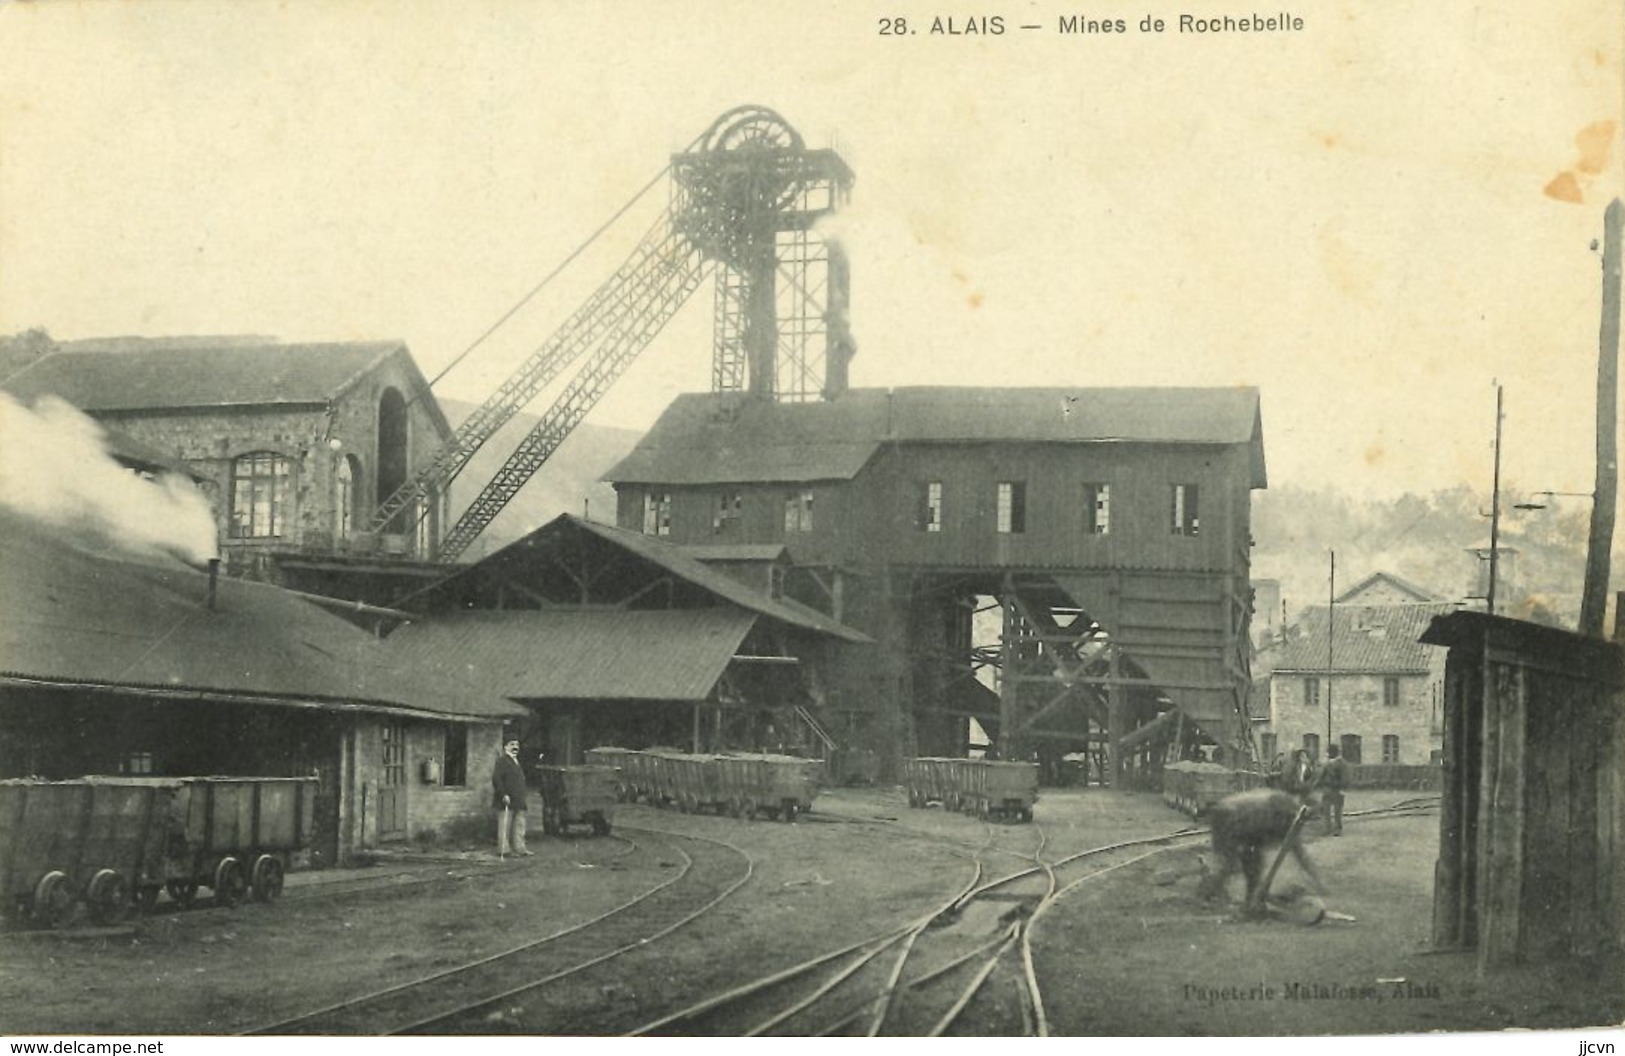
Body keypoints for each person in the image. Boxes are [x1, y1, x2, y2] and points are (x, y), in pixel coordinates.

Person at [1197, 788, 1325, 912]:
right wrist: (1317, 881)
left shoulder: (1288, 809)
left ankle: (1249, 901)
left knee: (1253, 865)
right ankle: (1205, 895)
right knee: (1232, 864)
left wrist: (1317, 880)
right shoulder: (1285, 811)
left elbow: (1297, 851)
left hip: (1241, 821)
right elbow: (1298, 852)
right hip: (1227, 816)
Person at [491, 736, 532, 857]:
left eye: (517, 745)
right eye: (512, 744)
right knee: (505, 826)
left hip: (518, 799)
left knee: (519, 825)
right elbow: (496, 779)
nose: (515, 747)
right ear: (505, 747)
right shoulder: (502, 761)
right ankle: (504, 850)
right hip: (506, 799)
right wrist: (503, 794)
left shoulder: (516, 761)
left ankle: (520, 848)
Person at [1314, 744, 1350, 835]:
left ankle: (1337, 829)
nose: (1327, 754)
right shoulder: (1328, 764)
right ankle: (1327, 828)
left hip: (1337, 789)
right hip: (1328, 789)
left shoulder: (1342, 764)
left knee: (1337, 811)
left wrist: (1342, 788)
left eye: (1328, 752)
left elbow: (1345, 778)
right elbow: (1321, 776)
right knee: (1326, 810)